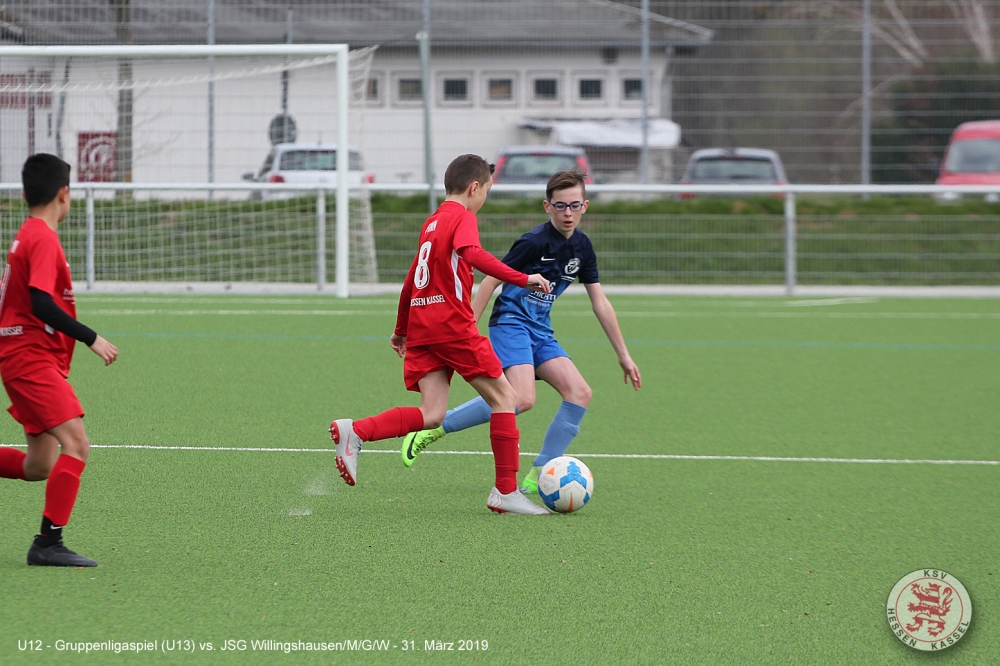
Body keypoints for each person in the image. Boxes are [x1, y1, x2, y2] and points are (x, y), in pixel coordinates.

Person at [329, 154, 553, 515]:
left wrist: (402, 329)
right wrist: (523, 277)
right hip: (451, 325)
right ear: (474, 187)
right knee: (505, 398)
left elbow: (411, 280)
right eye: (487, 191)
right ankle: (505, 491)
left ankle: (357, 431)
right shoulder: (462, 217)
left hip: (423, 325)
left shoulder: (432, 222)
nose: (484, 199)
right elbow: (472, 253)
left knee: (433, 413)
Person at [401, 169, 641, 493]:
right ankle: (435, 428)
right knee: (522, 398)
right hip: (511, 323)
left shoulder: (583, 248)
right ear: (547, 206)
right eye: (560, 205)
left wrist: (623, 356)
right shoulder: (534, 241)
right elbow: (491, 279)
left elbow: (600, 302)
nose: (567, 213)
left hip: (541, 330)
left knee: (579, 393)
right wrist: (468, 323)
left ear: (585, 206)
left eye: (574, 205)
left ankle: (539, 475)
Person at [0, 154, 119, 567]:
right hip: (29, 360)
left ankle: (48, 543)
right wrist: (91, 337)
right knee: (77, 443)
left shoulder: (28, 233)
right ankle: (48, 544)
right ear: (64, 194)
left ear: (25, 193)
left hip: (26, 358)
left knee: (39, 465)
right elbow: (40, 302)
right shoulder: (42, 237)